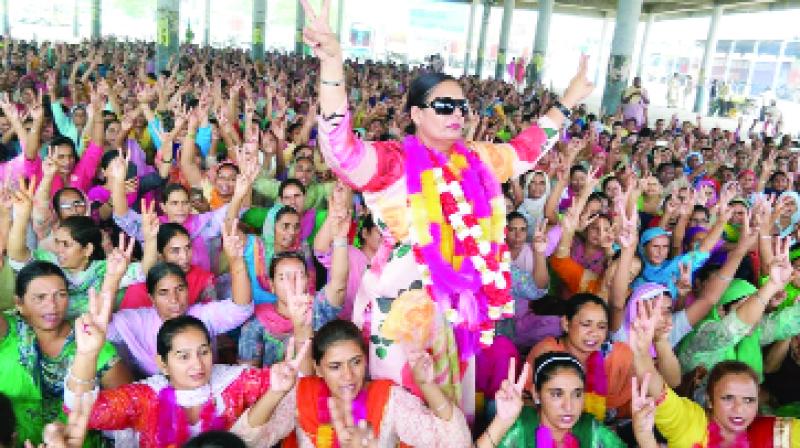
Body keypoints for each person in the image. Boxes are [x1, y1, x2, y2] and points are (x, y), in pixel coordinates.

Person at [301, 0, 595, 417]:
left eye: (462, 106)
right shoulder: (395, 163)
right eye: (444, 106)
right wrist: (332, 64)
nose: (456, 113)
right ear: (417, 114)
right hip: (399, 314)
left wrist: (568, 101)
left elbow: (524, 151)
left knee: (450, 417)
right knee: (399, 415)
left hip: (458, 314)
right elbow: (340, 151)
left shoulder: (475, 158)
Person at [64, 312, 292, 447]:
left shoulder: (232, 381)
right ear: (163, 363)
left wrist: (300, 332)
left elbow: (288, 384)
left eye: (203, 352)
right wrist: (87, 353)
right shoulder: (145, 397)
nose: (197, 364)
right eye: (183, 356)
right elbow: (83, 411)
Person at [232, 319, 472, 447]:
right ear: (318, 368)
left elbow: (455, 442)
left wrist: (427, 385)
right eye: (335, 367)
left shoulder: (388, 399)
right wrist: (275, 393)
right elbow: (243, 442)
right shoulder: (302, 397)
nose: (348, 376)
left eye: (355, 362)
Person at [629, 296, 800, 446]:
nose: (739, 409)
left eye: (749, 400)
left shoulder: (773, 434)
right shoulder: (691, 425)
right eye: (728, 398)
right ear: (709, 399)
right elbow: (660, 393)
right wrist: (640, 354)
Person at [0, 260, 132, 446]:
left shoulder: (90, 341)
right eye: (40, 297)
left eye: (60, 295)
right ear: (19, 303)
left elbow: (127, 404)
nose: (52, 305)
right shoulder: (7, 335)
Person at [105, 220, 254, 377]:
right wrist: (112, 279)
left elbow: (241, 308)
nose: (174, 299)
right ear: (152, 298)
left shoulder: (201, 315)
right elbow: (103, 326)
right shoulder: (139, 320)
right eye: (163, 292)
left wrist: (237, 262)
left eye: (180, 289)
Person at [525, 293, 634, 422]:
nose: (594, 333)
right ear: (566, 324)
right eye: (586, 324)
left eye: (601, 326)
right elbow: (527, 400)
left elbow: (643, 400)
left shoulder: (618, 356)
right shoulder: (547, 353)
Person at [477, 352, 625, 447]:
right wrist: (502, 421)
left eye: (577, 394)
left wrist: (643, 436)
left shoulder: (592, 431)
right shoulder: (521, 428)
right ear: (536, 393)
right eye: (556, 394)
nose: (569, 407)